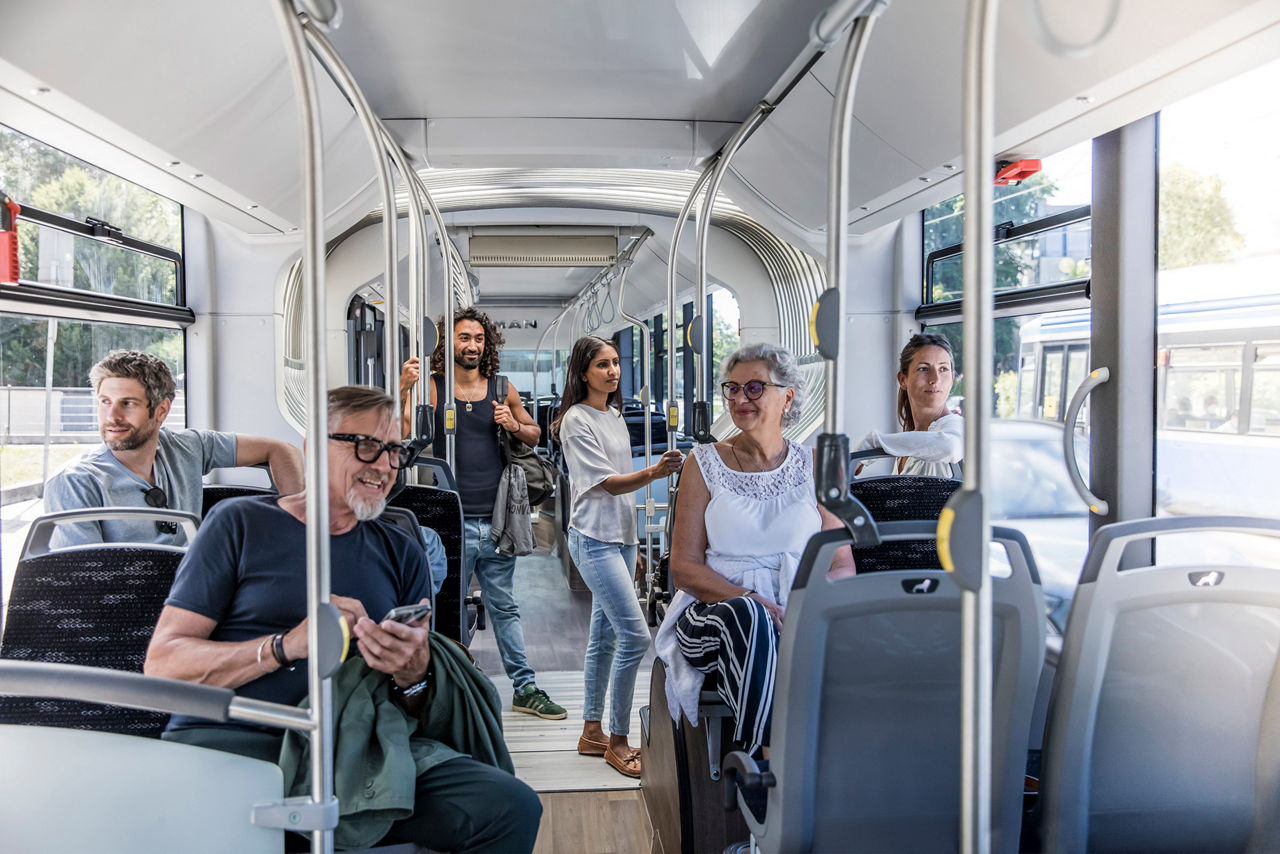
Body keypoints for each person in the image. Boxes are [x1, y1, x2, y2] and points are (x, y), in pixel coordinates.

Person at [144, 385, 541, 853]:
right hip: (240, 735)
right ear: (314, 447)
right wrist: (286, 645)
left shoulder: (402, 551)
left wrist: (412, 673)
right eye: (367, 445)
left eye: (395, 451)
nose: (385, 465)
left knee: (509, 807)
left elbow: (414, 698)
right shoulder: (239, 524)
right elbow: (164, 663)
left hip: (358, 745)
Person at [654, 343, 854, 757]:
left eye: (755, 388)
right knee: (750, 617)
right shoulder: (704, 462)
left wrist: (804, 610)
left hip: (797, 608)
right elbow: (685, 567)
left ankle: (767, 774)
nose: (740, 399)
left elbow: (841, 562)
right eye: (733, 388)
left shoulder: (814, 465)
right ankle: (768, 762)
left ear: (788, 396)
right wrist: (753, 599)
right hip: (713, 611)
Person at [400, 307, 566, 721]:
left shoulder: (501, 387)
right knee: (443, 605)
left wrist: (512, 422)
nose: (472, 345)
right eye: (463, 338)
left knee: (504, 606)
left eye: (478, 339)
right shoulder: (433, 389)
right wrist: (404, 389)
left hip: (496, 519)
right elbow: (402, 434)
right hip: (447, 519)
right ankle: (447, 687)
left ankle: (525, 687)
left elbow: (534, 433)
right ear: (447, 344)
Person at [553, 336, 683, 778]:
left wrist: (634, 545)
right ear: (582, 372)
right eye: (602, 364)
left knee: (604, 638)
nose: (612, 371)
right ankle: (619, 739)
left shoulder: (613, 415)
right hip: (592, 540)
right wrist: (656, 471)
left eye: (615, 363)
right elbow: (608, 483)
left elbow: (620, 496)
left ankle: (592, 732)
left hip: (620, 540)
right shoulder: (575, 419)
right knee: (635, 638)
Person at [44, 349, 305, 548]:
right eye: (105, 402)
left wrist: (298, 525)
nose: (112, 416)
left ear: (161, 411)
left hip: (201, 593)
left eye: (128, 403)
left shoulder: (187, 448)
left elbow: (282, 450)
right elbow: (84, 583)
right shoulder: (75, 483)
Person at [855, 332, 963, 477]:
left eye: (943, 369)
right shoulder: (908, 447)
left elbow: (951, 447)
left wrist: (873, 442)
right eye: (924, 369)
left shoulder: (958, 426)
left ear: (951, 378)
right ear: (902, 380)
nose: (935, 379)